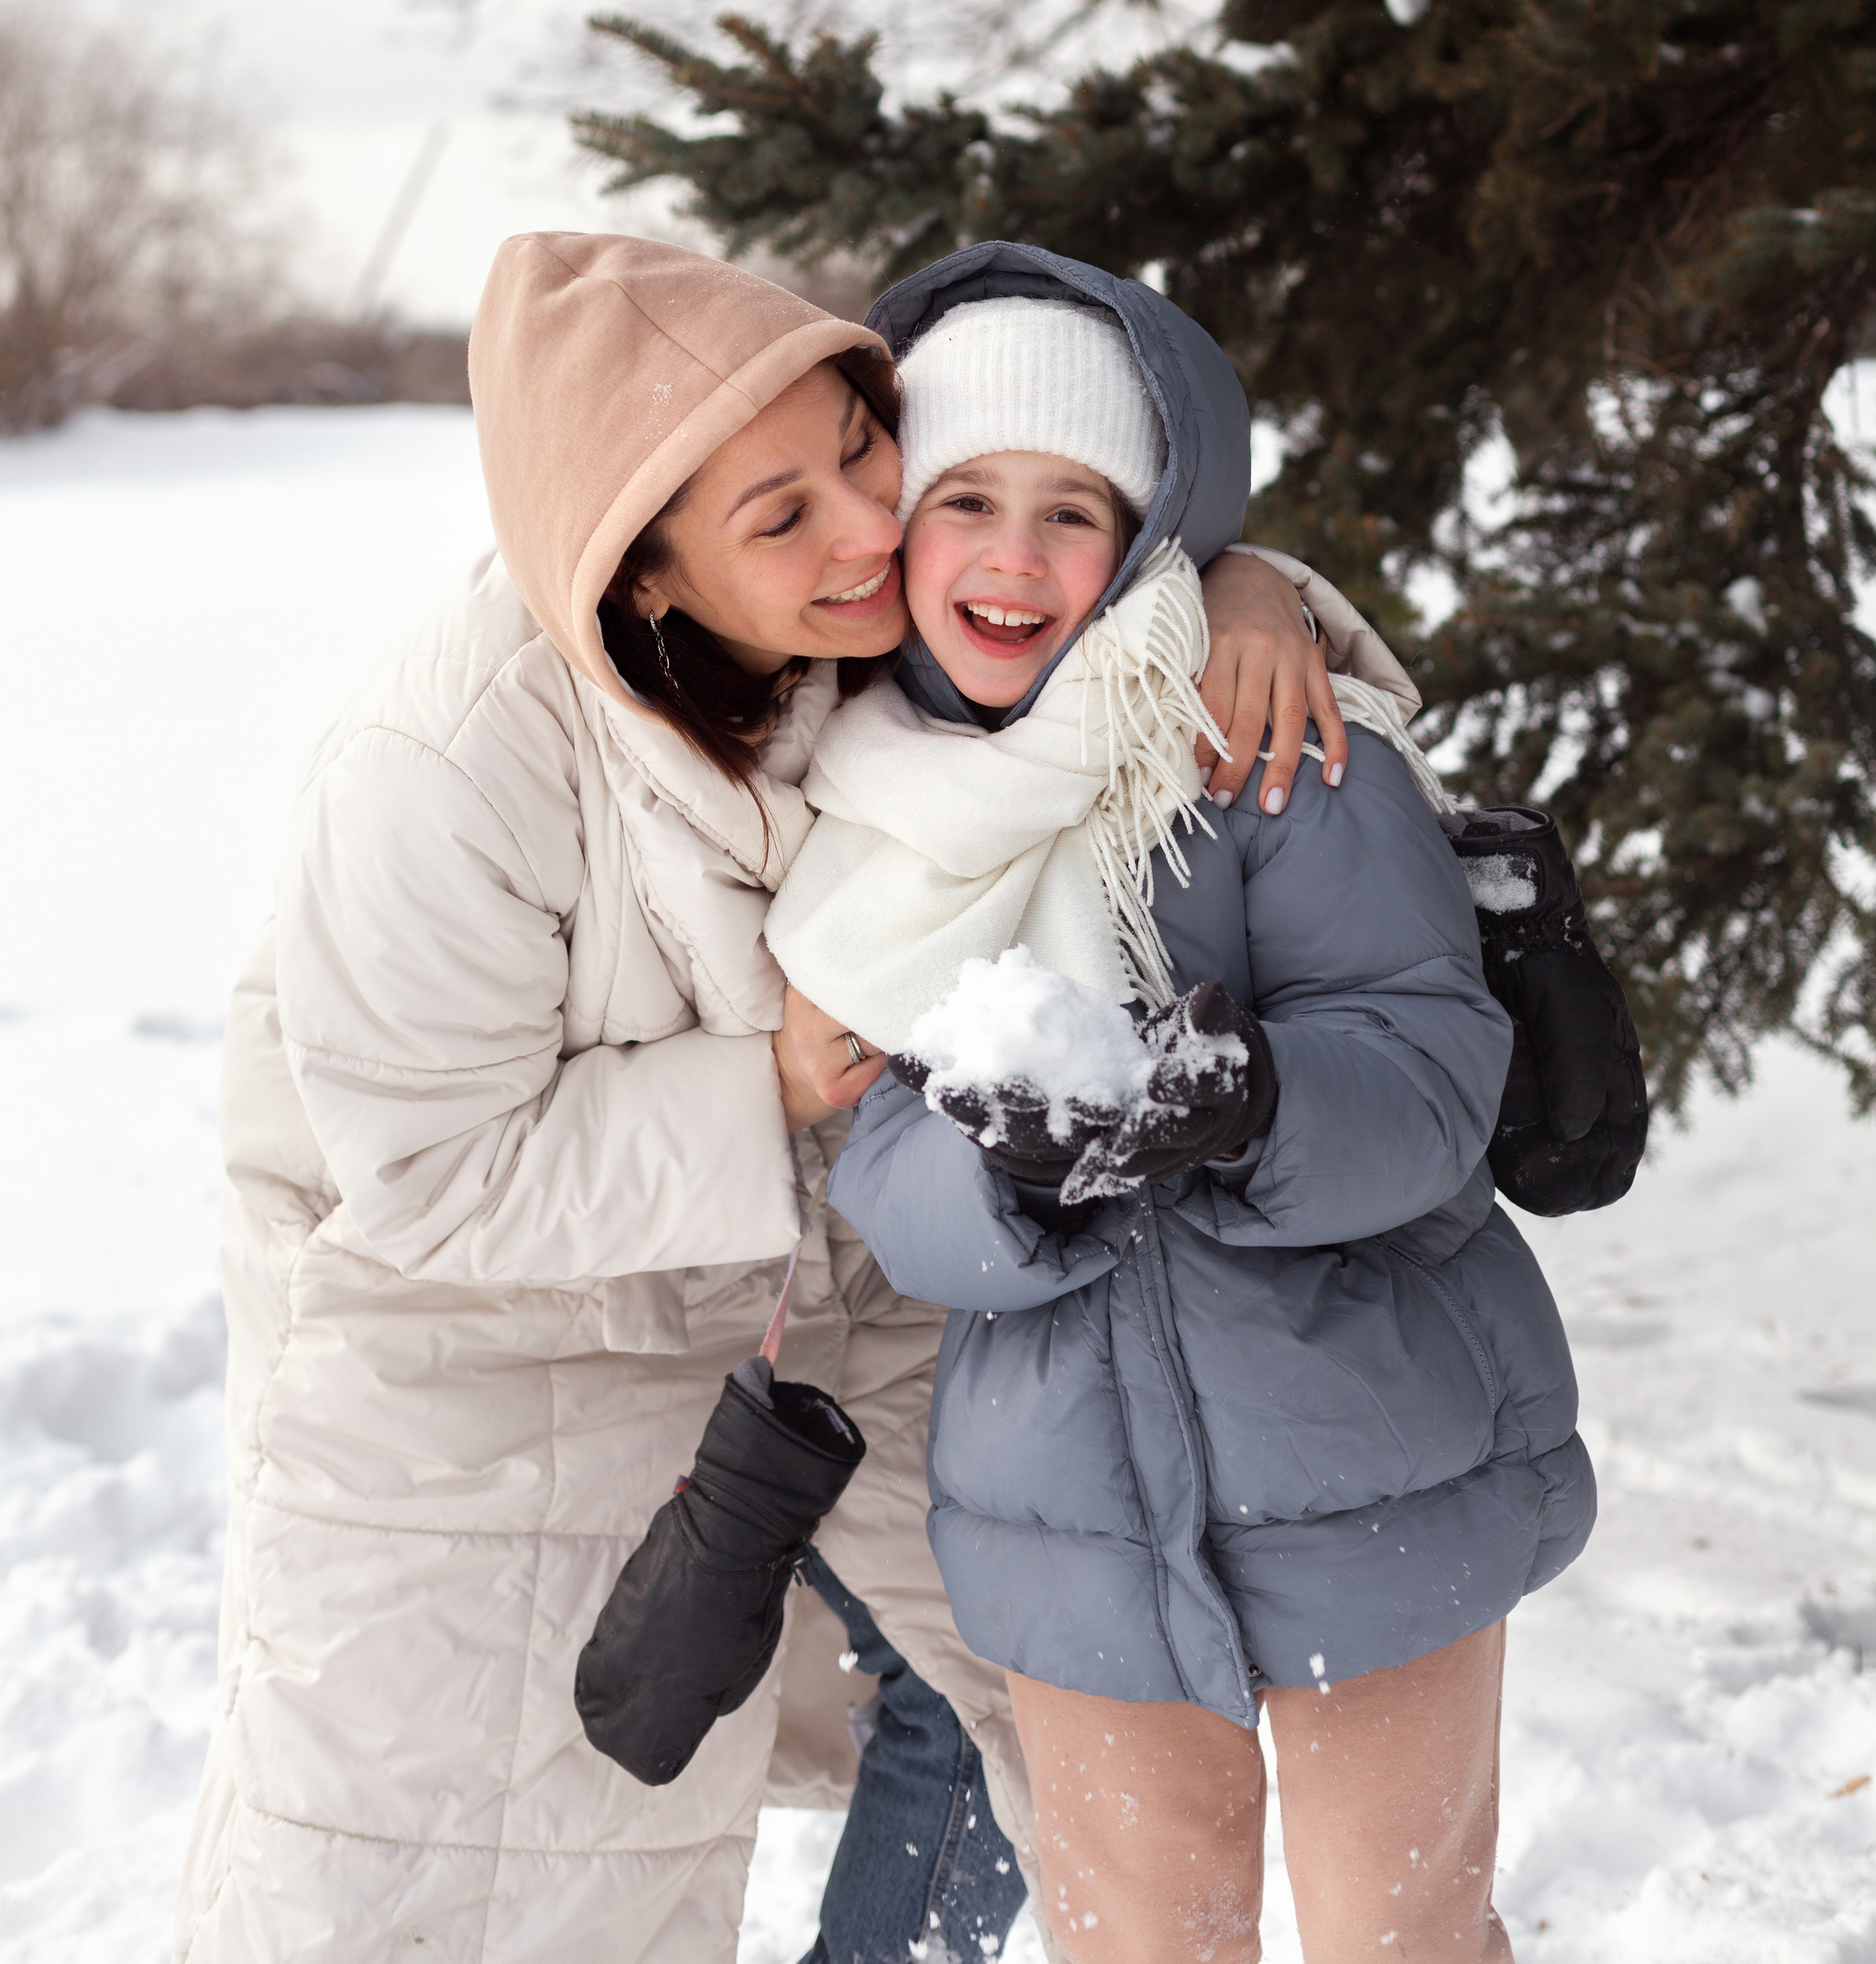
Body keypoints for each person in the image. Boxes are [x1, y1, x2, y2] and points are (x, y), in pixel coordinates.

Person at [176, 229, 1351, 1964]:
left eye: (860, 452)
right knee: (496, 1865)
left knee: (1088, 1707)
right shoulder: (442, 769)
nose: (874, 529)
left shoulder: (849, 629)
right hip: (479, 1366)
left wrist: (1240, 590)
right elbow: (428, 1175)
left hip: (827, 1299)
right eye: (778, 513)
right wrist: (767, 1087)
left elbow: (1081, 599)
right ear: (639, 577)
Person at [768, 243, 1597, 1964]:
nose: (1011, 556)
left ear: (1150, 538)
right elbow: (882, 1154)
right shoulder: (886, 815)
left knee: (1403, 1932)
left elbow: (1431, 1064)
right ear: (896, 528)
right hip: (1067, 1503)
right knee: (1140, 1942)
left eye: (1073, 512)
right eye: (964, 500)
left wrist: (1251, 1103)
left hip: (1371, 1461)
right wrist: (1012, 1184)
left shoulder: (1268, 740)